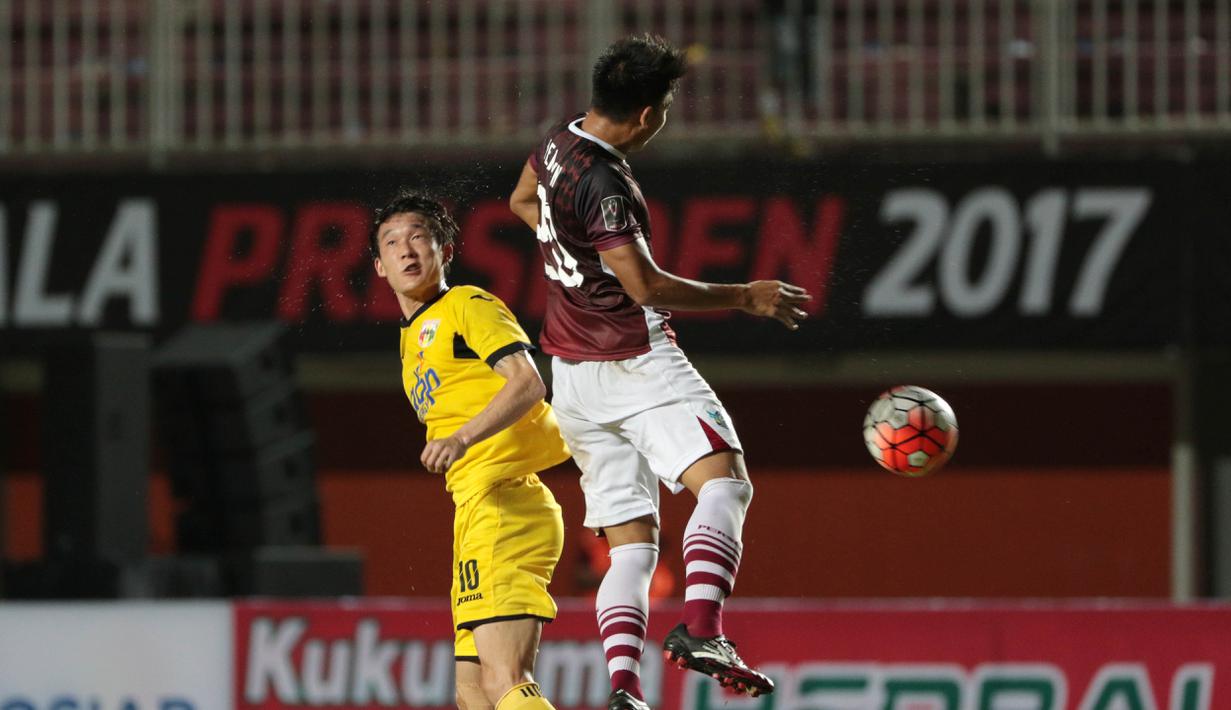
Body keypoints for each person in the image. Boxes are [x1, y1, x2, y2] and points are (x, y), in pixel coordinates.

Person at [508, 33, 810, 710]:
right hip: (632, 362)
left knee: (631, 547)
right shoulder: (607, 183)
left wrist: (569, 267)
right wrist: (744, 295)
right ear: (648, 114)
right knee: (725, 486)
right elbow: (642, 287)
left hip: (572, 377)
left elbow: (522, 202)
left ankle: (623, 690)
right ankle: (703, 629)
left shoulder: (559, 142)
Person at [370, 191, 571, 710]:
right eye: (392, 242)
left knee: (506, 678)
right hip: (475, 509)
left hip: (507, 503)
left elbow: (528, 383)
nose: (407, 251)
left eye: (419, 238)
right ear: (379, 266)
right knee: (471, 690)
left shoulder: (467, 305)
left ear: (446, 251)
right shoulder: (410, 338)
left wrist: (461, 438)